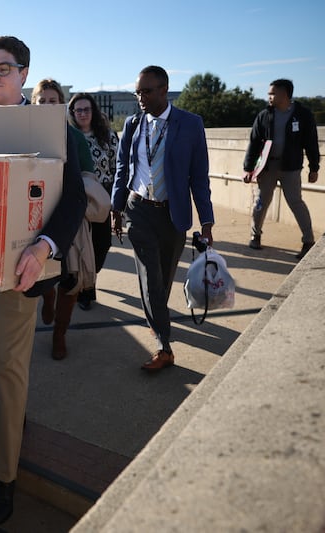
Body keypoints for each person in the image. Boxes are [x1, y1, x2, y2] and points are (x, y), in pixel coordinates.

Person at [0, 36, 86, 525]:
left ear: (24, 74)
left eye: (2, 69)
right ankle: (11, 416)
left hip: (20, 269)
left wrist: (43, 248)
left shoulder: (52, 126)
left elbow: (72, 199)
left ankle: (4, 477)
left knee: (9, 366)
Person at [111, 65, 214, 373]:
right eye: (137, 92)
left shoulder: (190, 124)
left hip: (173, 214)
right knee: (149, 279)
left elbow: (199, 176)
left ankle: (158, 320)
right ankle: (163, 346)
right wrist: (116, 210)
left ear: (163, 90)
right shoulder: (132, 124)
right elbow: (121, 170)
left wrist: (206, 222)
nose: (140, 97)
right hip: (139, 210)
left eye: (146, 91)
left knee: (164, 278)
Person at [31, 78, 95, 360]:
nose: (47, 106)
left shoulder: (74, 137)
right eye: (41, 101)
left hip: (68, 217)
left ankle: (60, 333)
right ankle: (47, 298)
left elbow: (89, 177)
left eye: (53, 101)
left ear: (61, 106)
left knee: (71, 279)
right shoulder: (23, 132)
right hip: (33, 218)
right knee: (45, 275)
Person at [242, 78, 320, 259]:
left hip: (291, 167)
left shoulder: (303, 115)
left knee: (296, 202)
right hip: (268, 167)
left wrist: (314, 167)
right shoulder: (264, 115)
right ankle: (256, 235)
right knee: (261, 202)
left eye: (272, 93)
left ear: (285, 94)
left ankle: (308, 241)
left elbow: (311, 142)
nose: (269, 97)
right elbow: (254, 143)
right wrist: (248, 168)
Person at [68, 93, 120, 310]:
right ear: (72, 113)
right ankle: (86, 290)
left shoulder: (107, 136)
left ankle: (91, 275)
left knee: (102, 244)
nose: (82, 114)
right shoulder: (68, 137)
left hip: (101, 197)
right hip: (77, 198)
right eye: (78, 110)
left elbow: (117, 167)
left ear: (94, 111)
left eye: (86, 109)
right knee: (83, 247)